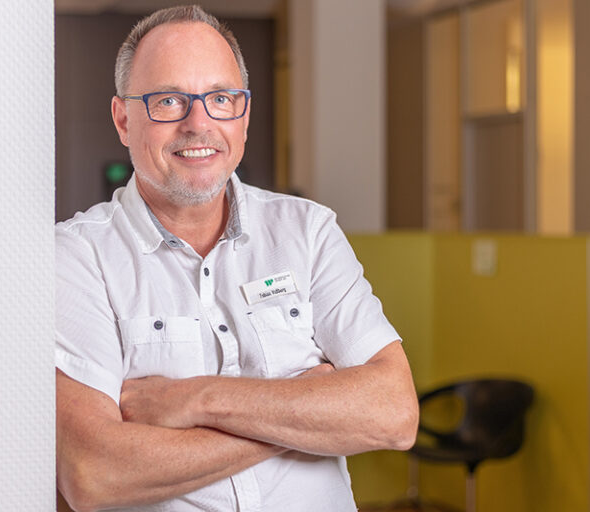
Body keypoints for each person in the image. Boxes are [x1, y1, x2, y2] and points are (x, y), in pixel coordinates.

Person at [55, 5, 418, 512]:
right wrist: (305, 418)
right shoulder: (76, 256)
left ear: (243, 115)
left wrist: (195, 400)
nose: (198, 123)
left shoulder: (308, 231)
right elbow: (94, 474)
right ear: (123, 119)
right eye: (168, 101)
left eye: (221, 99)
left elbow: (393, 412)